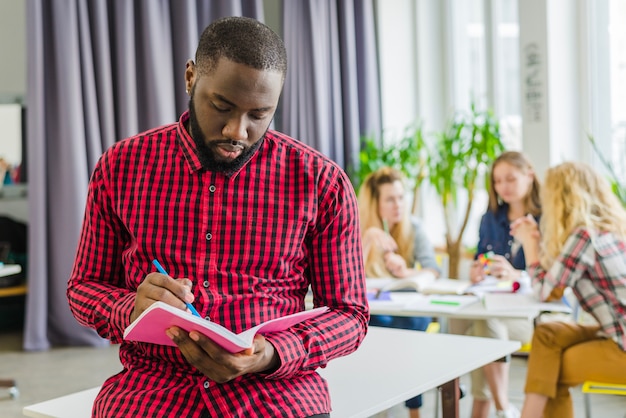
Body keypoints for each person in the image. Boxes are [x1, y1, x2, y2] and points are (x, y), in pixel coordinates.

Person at [66, 16, 369, 418]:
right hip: (152, 391)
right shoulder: (121, 167)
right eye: (221, 106)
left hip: (278, 397)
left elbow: (350, 314)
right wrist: (131, 307)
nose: (237, 131)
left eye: (259, 115)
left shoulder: (321, 182)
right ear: (191, 77)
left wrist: (272, 353)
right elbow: (84, 287)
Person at [511, 161, 626, 418]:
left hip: (621, 343)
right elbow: (554, 285)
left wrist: (530, 245)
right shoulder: (610, 230)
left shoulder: (584, 236)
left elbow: (544, 291)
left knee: (551, 370)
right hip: (616, 330)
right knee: (548, 333)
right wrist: (538, 243)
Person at [448, 151, 541, 418]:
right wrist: (477, 272)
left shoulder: (545, 218)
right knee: (479, 323)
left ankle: (493, 408)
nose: (503, 187)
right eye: (497, 181)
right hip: (493, 307)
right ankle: (502, 409)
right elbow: (480, 259)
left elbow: (552, 277)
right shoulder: (490, 218)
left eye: (510, 179)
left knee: (484, 325)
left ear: (529, 176)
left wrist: (517, 275)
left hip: (530, 314)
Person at [358, 167, 441, 418]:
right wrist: (368, 240)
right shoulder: (357, 226)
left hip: (407, 311)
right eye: (390, 199)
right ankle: (401, 407)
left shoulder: (413, 227)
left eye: (401, 197)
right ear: (375, 203)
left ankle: (410, 408)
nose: (399, 205)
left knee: (413, 324)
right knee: (384, 326)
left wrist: (406, 273)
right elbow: (345, 277)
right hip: (374, 312)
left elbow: (433, 270)